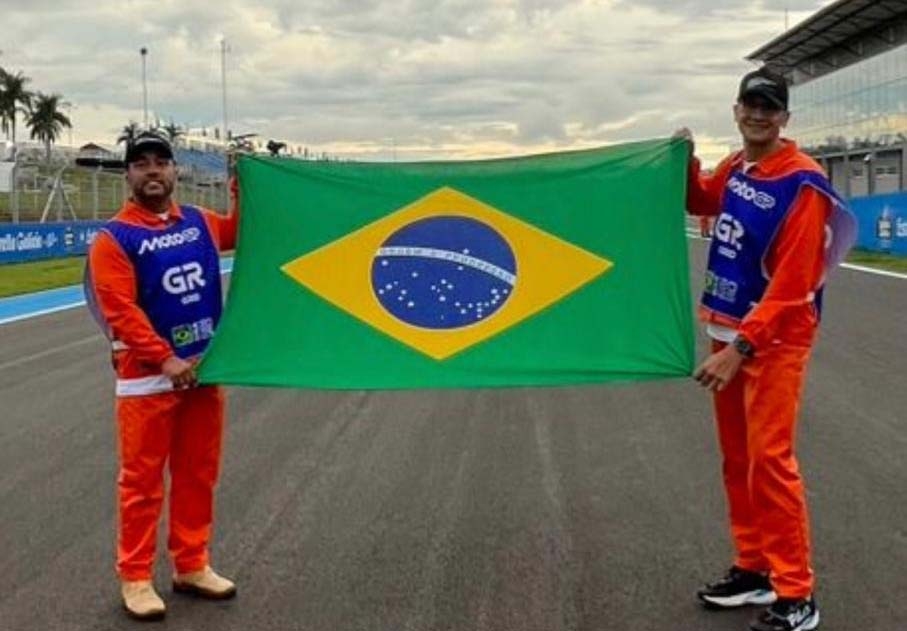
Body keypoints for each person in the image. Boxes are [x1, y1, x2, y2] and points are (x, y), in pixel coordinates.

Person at [677, 67, 855, 631]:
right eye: (750, 104)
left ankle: (797, 592)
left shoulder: (802, 182)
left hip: (773, 339)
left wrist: (740, 348)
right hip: (728, 327)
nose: (758, 115)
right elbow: (700, 198)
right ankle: (754, 567)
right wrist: (684, 159)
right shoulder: (737, 165)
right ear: (736, 110)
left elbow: (794, 284)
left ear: (784, 117)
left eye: (769, 107)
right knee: (738, 460)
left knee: (770, 462)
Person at [85, 131, 240, 620]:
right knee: (142, 483)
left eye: (161, 162)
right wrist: (165, 358)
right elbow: (120, 310)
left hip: (203, 371)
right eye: (141, 164)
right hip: (147, 380)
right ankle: (135, 577)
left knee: (198, 473)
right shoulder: (114, 238)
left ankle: (191, 564)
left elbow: (240, 231)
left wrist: (243, 185)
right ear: (128, 176)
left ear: (174, 171)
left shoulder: (198, 221)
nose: (152, 170)